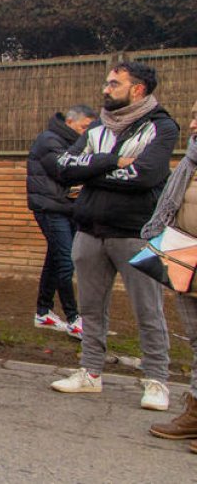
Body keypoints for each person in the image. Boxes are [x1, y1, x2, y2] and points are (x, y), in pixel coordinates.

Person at [50, 62, 178, 411]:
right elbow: (62, 168)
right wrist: (114, 161)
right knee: (90, 308)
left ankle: (156, 380)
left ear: (137, 89)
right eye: (107, 82)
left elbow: (146, 176)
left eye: (113, 83)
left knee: (147, 309)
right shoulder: (96, 129)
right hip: (89, 231)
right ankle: (90, 372)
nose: (105, 89)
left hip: (136, 234)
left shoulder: (161, 127)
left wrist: (90, 173)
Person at [142, 99, 197, 450]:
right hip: (186, 257)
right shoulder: (191, 160)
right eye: (194, 115)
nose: (193, 124)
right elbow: (172, 205)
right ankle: (195, 411)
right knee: (196, 339)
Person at [25, 105, 98, 338]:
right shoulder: (49, 140)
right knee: (66, 261)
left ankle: (44, 312)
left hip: (67, 208)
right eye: (84, 127)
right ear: (70, 122)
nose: (86, 133)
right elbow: (64, 171)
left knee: (56, 259)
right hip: (50, 208)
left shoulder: (70, 143)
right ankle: (74, 319)